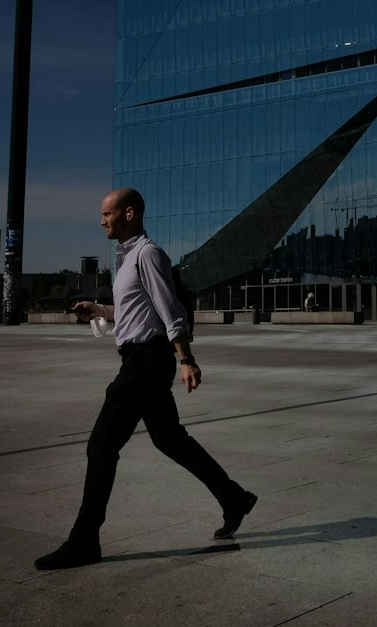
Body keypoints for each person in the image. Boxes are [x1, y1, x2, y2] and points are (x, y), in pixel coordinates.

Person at [36, 187, 256, 571]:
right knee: (170, 440)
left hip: (146, 362)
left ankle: (84, 541)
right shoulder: (126, 260)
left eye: (107, 213)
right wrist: (99, 308)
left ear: (129, 213)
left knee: (101, 446)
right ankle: (233, 498)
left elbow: (169, 310)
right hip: (141, 358)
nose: (101, 220)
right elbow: (136, 310)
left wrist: (186, 358)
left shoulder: (148, 254)